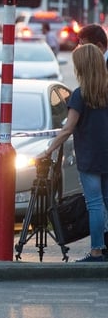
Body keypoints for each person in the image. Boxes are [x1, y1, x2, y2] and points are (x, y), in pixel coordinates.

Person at [40, 43, 108, 262]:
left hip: (89, 157)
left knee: (95, 204)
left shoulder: (80, 95)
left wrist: (49, 149)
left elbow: (68, 128)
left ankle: (96, 250)